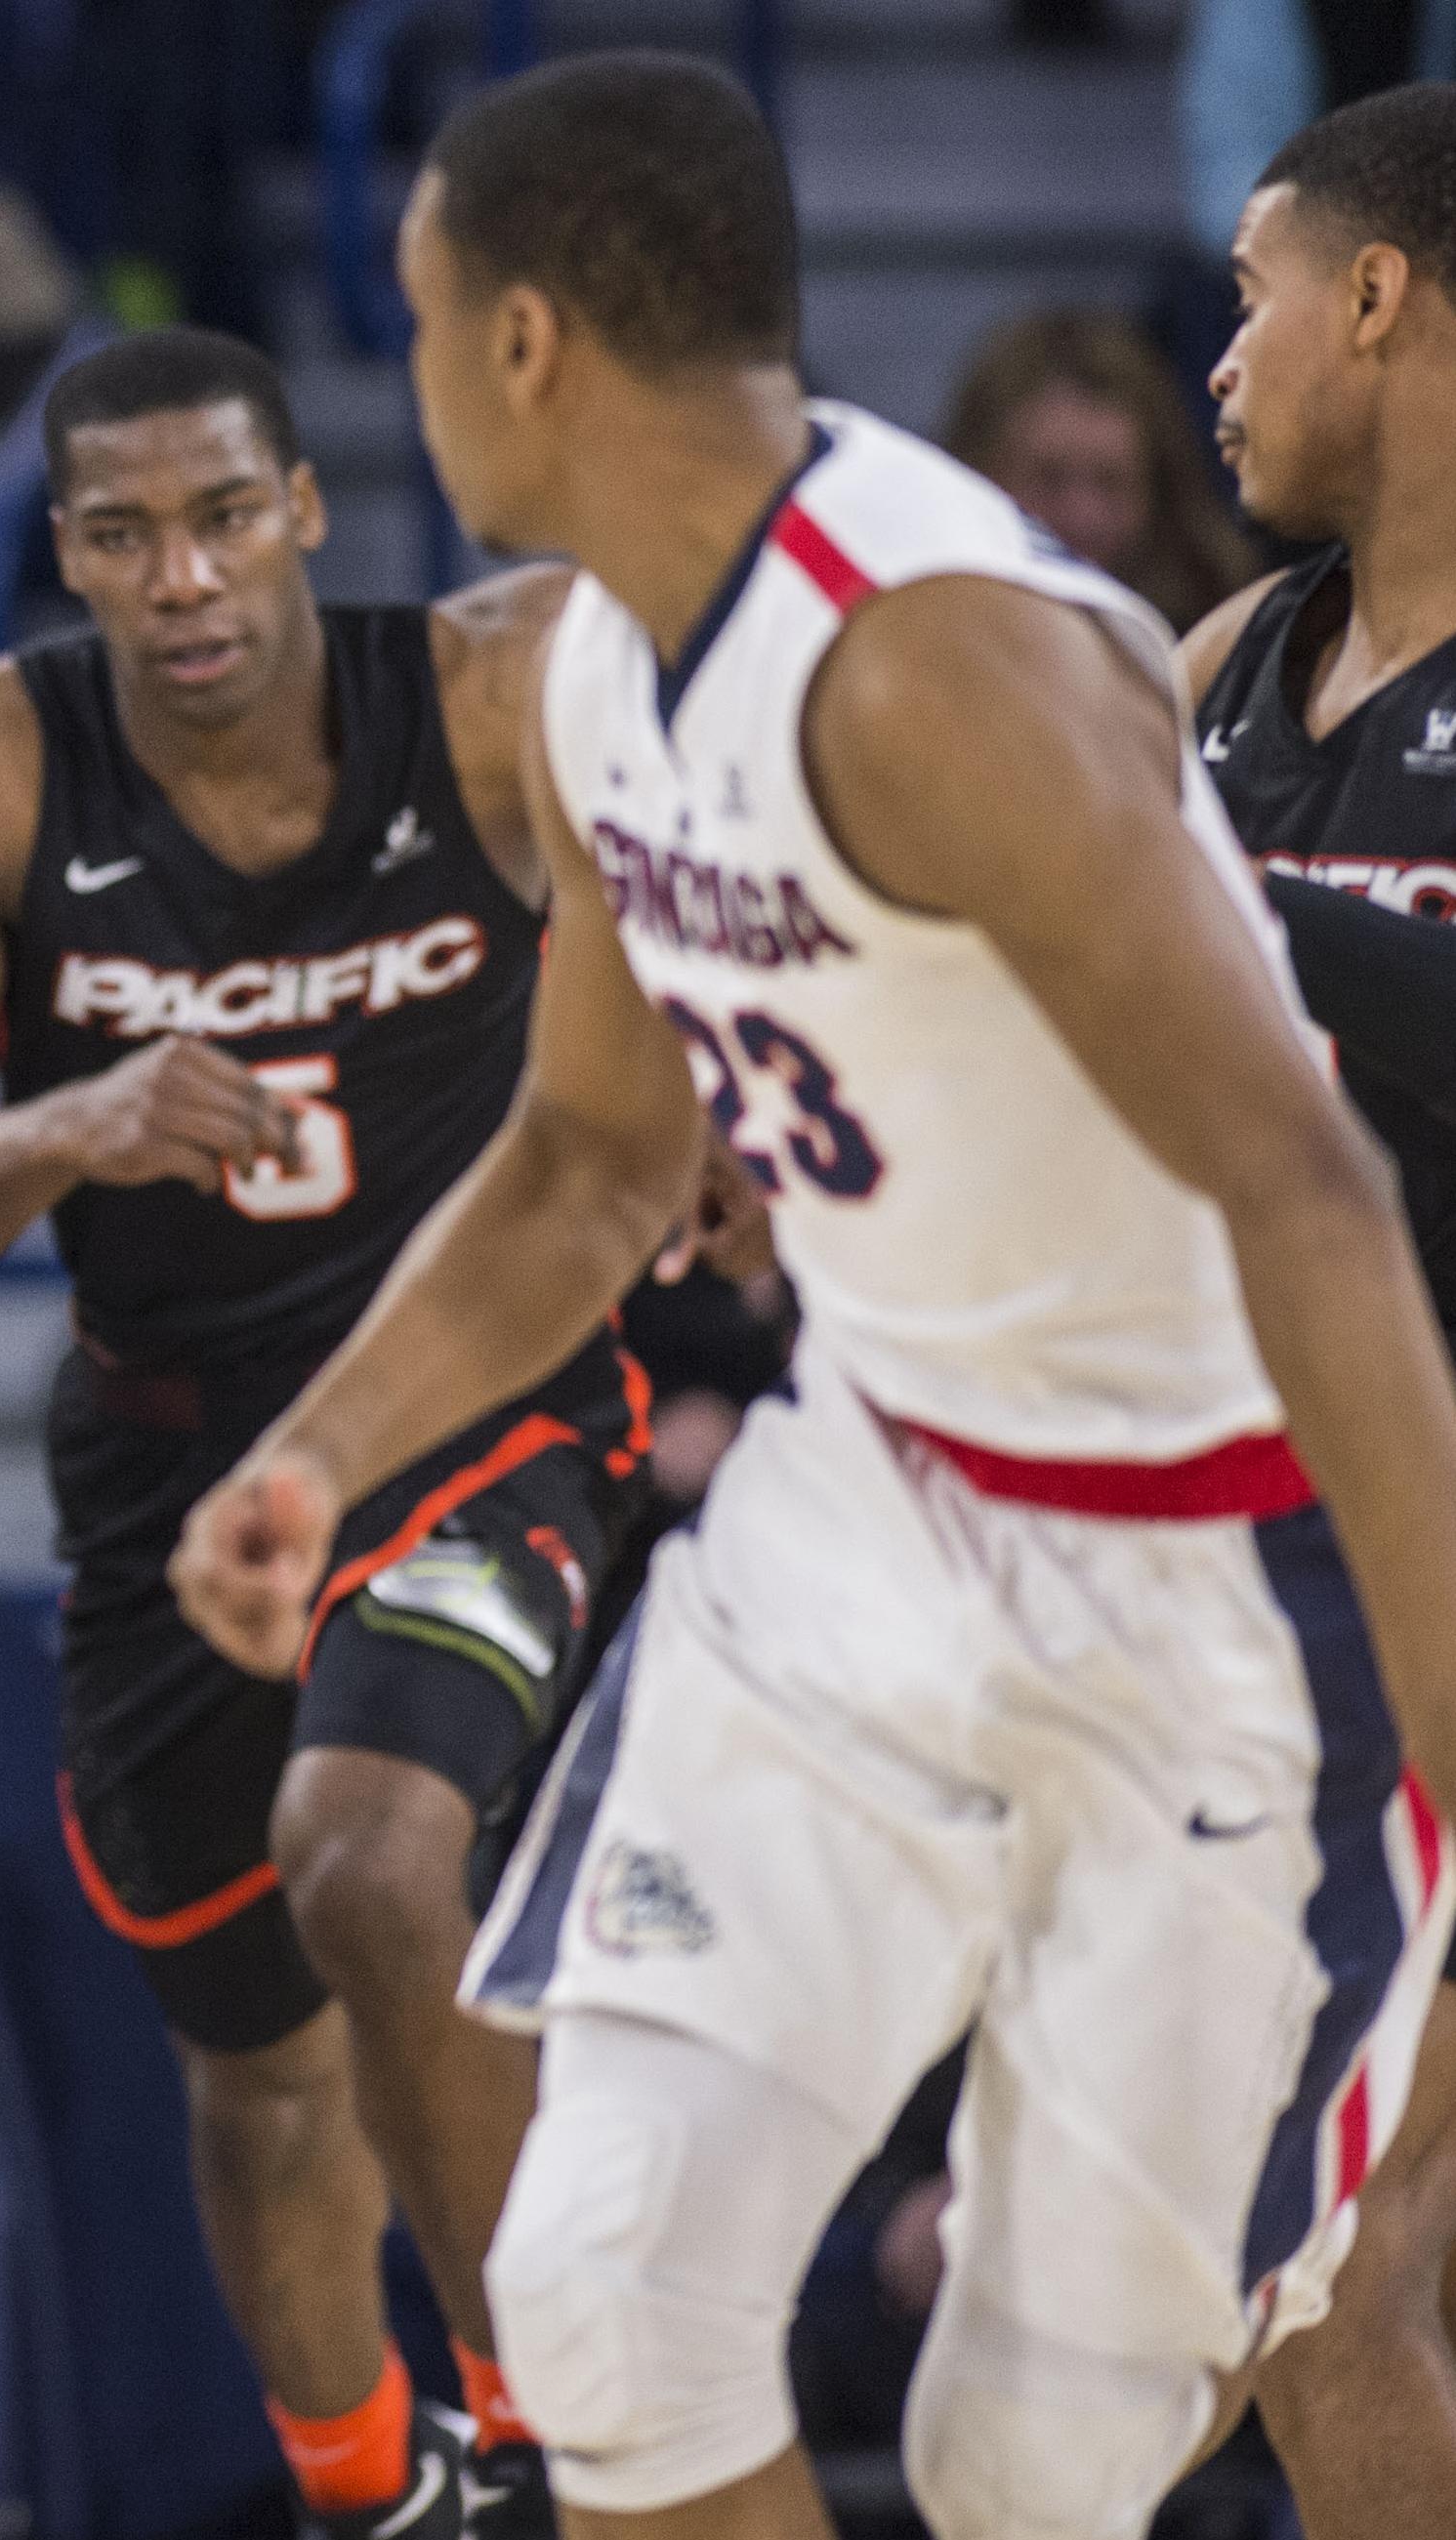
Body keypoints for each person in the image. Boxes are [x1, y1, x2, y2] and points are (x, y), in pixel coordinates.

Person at [175, 54, 1456, 2540]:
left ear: (523, 343)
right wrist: (318, 1447)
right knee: (599, 2296)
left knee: (1057, 2441)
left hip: (1223, 1573)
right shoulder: (590, 663)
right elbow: (577, 1157)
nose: (405, 374)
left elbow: (1306, 1193)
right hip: (863, 1512)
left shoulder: (940, 659)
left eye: (423, 320)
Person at [0, 322, 642, 2540]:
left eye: (217, 515)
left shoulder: (481, 692)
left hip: (478, 1421)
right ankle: (371, 2497)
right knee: (261, 2083)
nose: (178, 574)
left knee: (373, 1852)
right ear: (58, 552)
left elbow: (742, 893)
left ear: (301, 510)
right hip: (170, 1476)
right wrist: (60, 1119)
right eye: (121, 532)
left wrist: (711, 1103)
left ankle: (534, 2436)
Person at [1180, 79, 1456, 2540]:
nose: (1217, 362)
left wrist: (1217, 925)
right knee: (1212, 2283)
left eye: (1245, 296)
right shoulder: (1231, 658)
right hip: (1258, 1567)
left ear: (1373, 296)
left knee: (1325, 2274)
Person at [944, 306, 1259, 633]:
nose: (1083, 517)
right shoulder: (914, 636)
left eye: (1111, 483)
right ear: (980, 478)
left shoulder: (1229, 637)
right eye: (1049, 480)